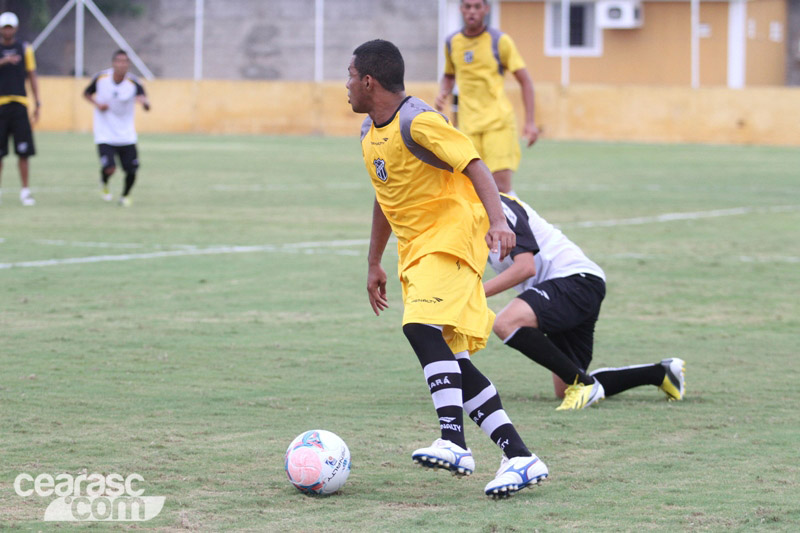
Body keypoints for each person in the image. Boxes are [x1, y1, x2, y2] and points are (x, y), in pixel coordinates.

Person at [348, 39, 548, 498]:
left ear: (368, 81)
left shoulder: (419, 121)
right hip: (416, 252)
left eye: (349, 76)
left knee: (419, 328)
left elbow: (474, 162)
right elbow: (385, 195)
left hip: (451, 241)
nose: (346, 86)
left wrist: (499, 221)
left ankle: (454, 441)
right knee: (455, 361)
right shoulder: (368, 132)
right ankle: (519, 456)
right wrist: (375, 261)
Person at [485, 193, 687, 410]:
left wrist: (473, 293)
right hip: (568, 287)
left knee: (507, 322)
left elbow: (525, 267)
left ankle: (584, 384)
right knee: (564, 387)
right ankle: (660, 373)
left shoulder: (500, 207)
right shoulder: (462, 216)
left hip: (576, 281)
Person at [435, 0, 538, 196]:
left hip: (498, 124)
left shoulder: (499, 41)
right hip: (467, 127)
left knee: (501, 188)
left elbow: (526, 81)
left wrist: (530, 122)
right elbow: (449, 75)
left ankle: (523, 227)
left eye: (477, 6)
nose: (472, 11)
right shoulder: (452, 42)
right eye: (467, 6)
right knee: (472, 189)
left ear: (486, 9)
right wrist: (443, 92)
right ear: (461, 9)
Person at [84, 49, 150, 207]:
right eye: (119, 61)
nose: (122, 64)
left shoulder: (134, 82)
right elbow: (86, 93)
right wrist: (97, 104)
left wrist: (145, 103)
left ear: (128, 65)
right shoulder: (101, 78)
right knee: (110, 168)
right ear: (113, 63)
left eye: (125, 61)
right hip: (105, 134)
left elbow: (145, 101)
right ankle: (104, 182)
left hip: (126, 135)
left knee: (132, 170)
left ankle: (125, 195)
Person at [0, 11, 40, 207]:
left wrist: (37, 102)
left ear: (15, 29)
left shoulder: (25, 48)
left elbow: (32, 75)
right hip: (0, 106)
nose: (7, 31)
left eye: (10, 27)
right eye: (4, 27)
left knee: (23, 152)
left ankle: (25, 191)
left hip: (20, 105)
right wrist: (4, 61)